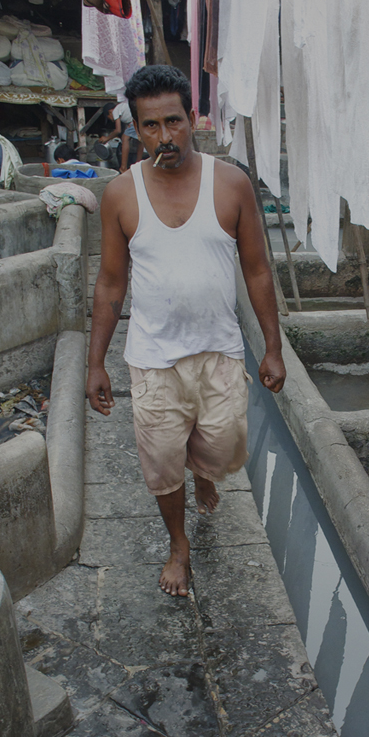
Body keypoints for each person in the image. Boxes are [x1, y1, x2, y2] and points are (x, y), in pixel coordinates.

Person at [86, 64, 286, 598]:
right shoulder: (121, 195)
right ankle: (179, 545)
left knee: (221, 450)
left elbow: (258, 270)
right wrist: (95, 363)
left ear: (191, 118)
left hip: (219, 352)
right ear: (135, 129)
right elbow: (110, 283)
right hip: (152, 359)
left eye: (173, 121)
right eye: (150, 126)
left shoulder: (232, 184)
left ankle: (203, 470)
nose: (164, 137)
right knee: (158, 462)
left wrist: (273, 347)